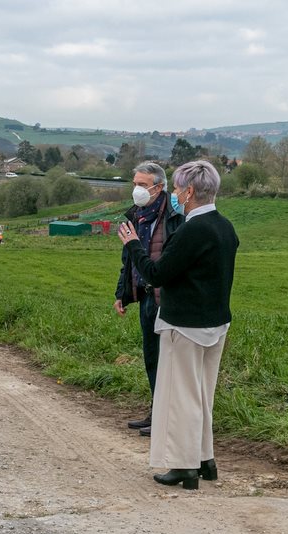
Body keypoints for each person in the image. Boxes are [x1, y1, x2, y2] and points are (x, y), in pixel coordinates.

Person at [117, 160, 238, 489]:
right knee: (202, 395)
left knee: (182, 396)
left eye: (179, 188)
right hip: (216, 323)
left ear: (190, 191)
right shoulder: (225, 226)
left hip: (185, 325)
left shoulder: (191, 229)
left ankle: (184, 467)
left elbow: (157, 274)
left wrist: (132, 245)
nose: (176, 194)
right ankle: (204, 459)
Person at [114, 162, 184, 437]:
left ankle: (167, 418)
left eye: (143, 185)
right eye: (135, 184)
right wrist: (122, 292)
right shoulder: (137, 215)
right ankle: (157, 411)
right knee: (152, 358)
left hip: (164, 296)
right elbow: (129, 257)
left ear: (159, 187)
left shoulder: (174, 216)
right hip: (144, 295)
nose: (137, 190)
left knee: (168, 360)